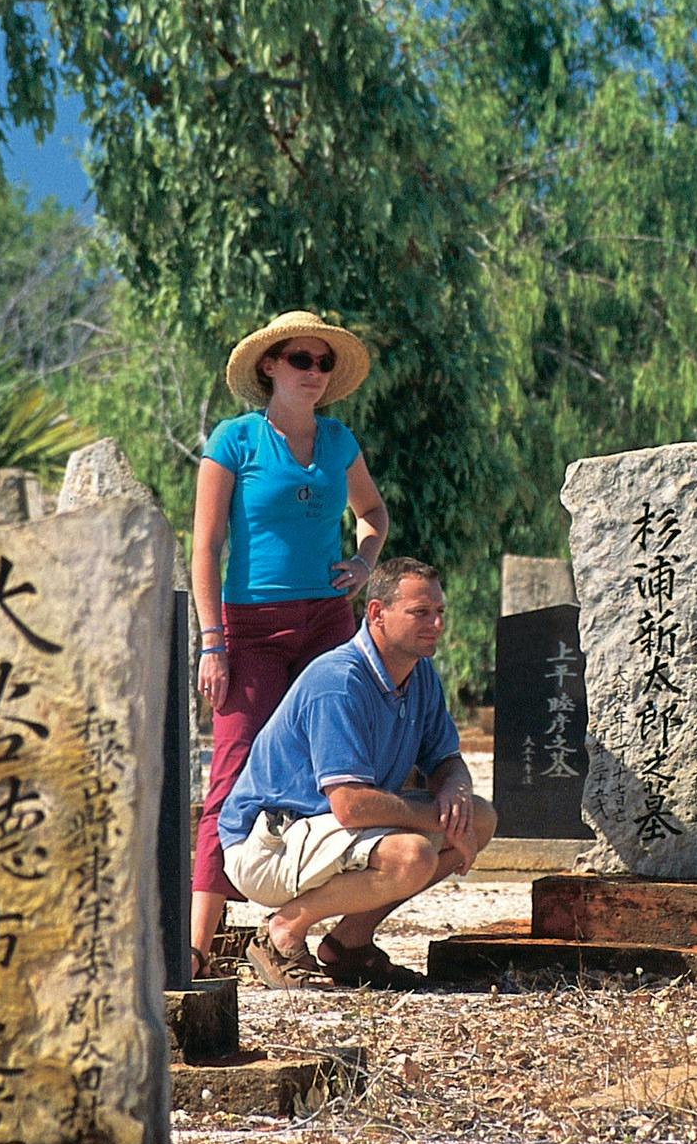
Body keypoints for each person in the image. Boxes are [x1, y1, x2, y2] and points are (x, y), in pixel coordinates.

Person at [190, 309, 387, 974]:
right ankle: (195, 944)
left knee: (329, 765)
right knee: (232, 766)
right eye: (300, 359)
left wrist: (363, 564)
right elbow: (206, 545)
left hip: (328, 621)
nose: (313, 372)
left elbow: (372, 512)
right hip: (249, 624)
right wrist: (210, 641)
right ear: (269, 365)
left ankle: (295, 932)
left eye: (323, 362)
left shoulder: (337, 440)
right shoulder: (235, 440)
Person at [216, 557, 497, 989]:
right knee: (413, 855)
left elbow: (446, 760)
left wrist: (457, 792)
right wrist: (444, 820)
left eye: (440, 612)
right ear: (377, 614)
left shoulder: (419, 676)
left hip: (321, 831)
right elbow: (350, 805)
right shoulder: (338, 681)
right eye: (421, 612)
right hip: (267, 844)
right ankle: (284, 931)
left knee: (480, 816)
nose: (436, 624)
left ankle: (348, 944)